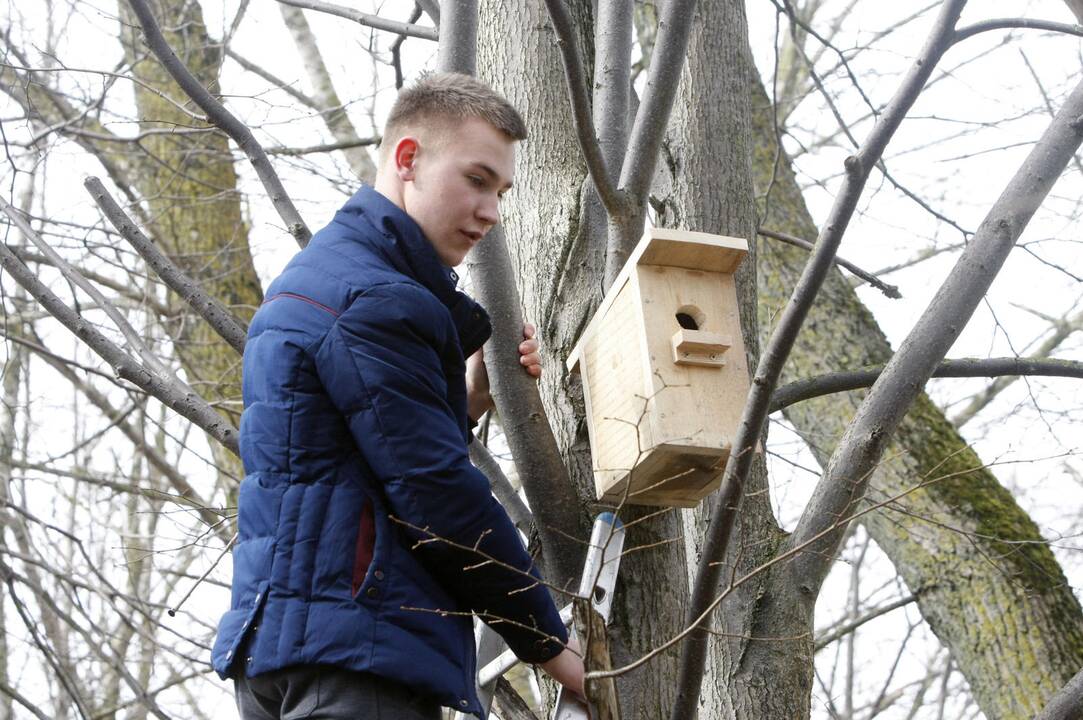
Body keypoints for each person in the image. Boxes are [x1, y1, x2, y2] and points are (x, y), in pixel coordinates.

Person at [211, 72, 585, 719]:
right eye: (475, 179)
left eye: (500, 191)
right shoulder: (376, 297)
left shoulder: (320, 276)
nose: (491, 211)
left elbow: (355, 459)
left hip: (285, 652)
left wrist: (466, 401)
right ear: (407, 159)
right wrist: (553, 648)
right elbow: (437, 495)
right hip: (356, 663)